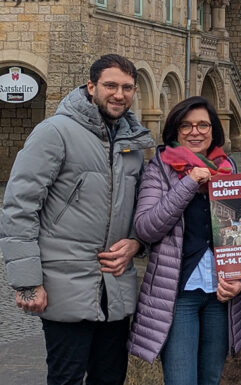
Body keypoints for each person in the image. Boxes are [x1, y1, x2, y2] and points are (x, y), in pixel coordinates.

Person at [0, 54, 154, 385]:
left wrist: (137, 243)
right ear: (91, 87)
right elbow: (19, 207)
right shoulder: (55, 132)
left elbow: (141, 207)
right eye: (110, 85)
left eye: (127, 87)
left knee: (110, 378)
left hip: (115, 286)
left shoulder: (133, 142)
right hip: (65, 284)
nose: (119, 94)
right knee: (66, 378)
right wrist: (27, 283)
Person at [127, 96, 241, 384]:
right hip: (178, 295)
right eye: (186, 125)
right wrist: (189, 183)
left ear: (213, 130)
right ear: (175, 130)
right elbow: (146, 228)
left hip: (220, 294)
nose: (195, 132)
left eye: (203, 125)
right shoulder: (160, 169)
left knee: (211, 379)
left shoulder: (228, 168)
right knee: (181, 379)